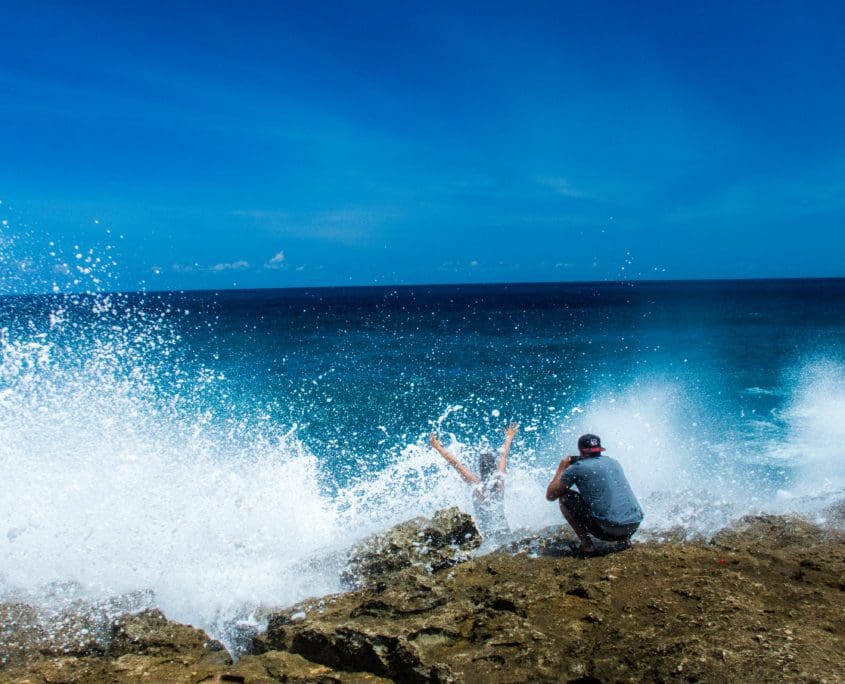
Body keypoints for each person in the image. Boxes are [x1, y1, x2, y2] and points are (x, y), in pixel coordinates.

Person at [545, 433, 643, 554]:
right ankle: (625, 540)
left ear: (581, 452)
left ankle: (587, 546)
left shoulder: (577, 468)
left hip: (610, 530)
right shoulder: (613, 462)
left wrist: (562, 468)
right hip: (633, 526)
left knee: (565, 498)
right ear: (599, 450)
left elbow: (550, 495)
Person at [429, 423, 519, 538]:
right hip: (505, 531)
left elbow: (456, 463)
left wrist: (438, 447)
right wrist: (509, 436)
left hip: (486, 535)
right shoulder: (499, 481)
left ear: (480, 469)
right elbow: (503, 456)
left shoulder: (477, 485)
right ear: (494, 467)